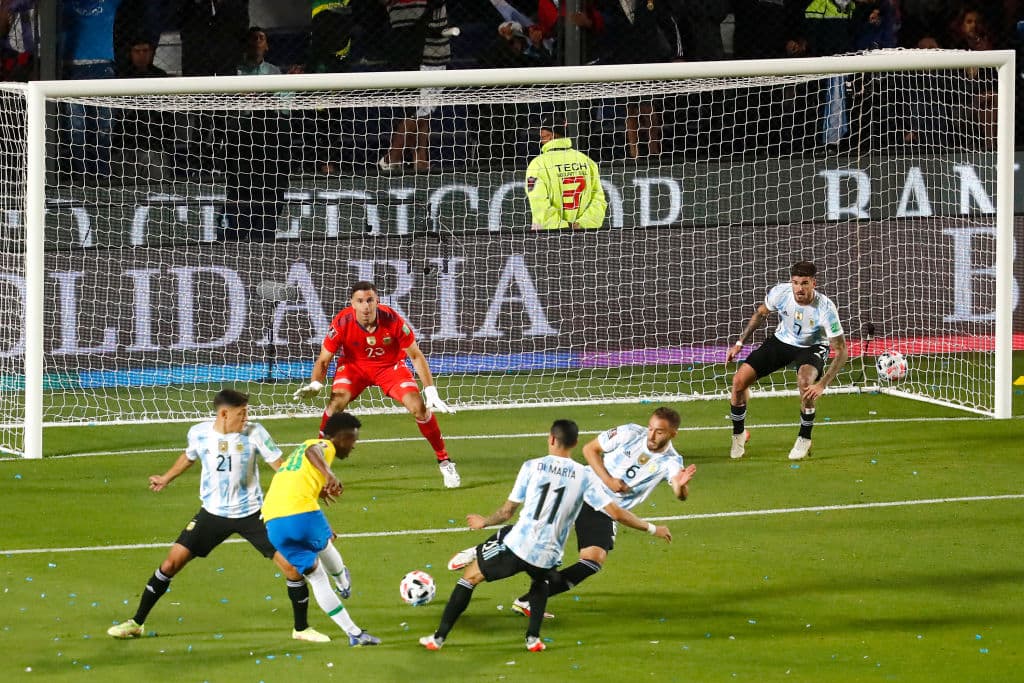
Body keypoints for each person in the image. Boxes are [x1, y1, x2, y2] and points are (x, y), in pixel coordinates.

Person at [419, 419, 672, 653]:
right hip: (549, 554)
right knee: (539, 583)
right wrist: (653, 528)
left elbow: (507, 511)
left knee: (469, 578)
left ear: (551, 439)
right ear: (574, 444)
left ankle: (439, 637)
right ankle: (533, 639)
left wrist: (484, 521)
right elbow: (616, 513)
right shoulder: (585, 477)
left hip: (518, 545)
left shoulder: (532, 466)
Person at [107, 390, 333, 643]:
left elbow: (281, 466)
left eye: (247, 412)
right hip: (212, 514)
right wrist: (166, 478)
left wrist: (310, 487)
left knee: (292, 567)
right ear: (224, 414)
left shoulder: (255, 432)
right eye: (242, 413)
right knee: (170, 564)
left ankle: (301, 629)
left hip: (253, 513)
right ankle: (136, 622)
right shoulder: (199, 433)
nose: (246, 417)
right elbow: (189, 456)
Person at [448, 406, 696, 619]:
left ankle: (528, 600)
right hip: (584, 486)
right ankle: (479, 551)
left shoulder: (672, 461)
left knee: (592, 561)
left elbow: (678, 491)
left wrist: (682, 486)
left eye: (659, 431)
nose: (651, 434)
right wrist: (608, 480)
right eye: (651, 427)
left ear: (673, 433)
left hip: (605, 508)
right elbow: (590, 450)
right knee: (538, 525)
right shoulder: (631, 432)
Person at [292, 281, 460, 488]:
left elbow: (415, 355)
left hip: (389, 368)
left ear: (377, 301)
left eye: (370, 300)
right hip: (354, 368)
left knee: (419, 408)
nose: (366, 306)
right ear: (352, 304)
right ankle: (318, 465)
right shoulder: (342, 322)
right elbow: (324, 359)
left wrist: (430, 390)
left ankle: (444, 461)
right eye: (360, 301)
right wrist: (316, 384)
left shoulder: (393, 320)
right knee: (334, 405)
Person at [261, 412, 381, 647]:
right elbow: (313, 452)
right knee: (326, 542)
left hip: (272, 522)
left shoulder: (298, 455)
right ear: (339, 437)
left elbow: (294, 479)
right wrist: (329, 474)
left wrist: (319, 489)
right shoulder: (322, 445)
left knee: (316, 577)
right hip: (300, 513)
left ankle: (354, 633)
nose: (353, 446)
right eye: (352, 439)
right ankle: (342, 581)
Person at [725, 261, 849, 461]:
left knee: (805, 383)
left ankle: (804, 437)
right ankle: (739, 435)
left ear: (813, 284)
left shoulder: (825, 308)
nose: (799, 288)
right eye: (796, 282)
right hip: (782, 341)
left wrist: (822, 385)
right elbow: (760, 314)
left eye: (804, 283)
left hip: (812, 346)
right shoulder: (781, 294)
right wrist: (739, 343)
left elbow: (842, 351)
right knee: (739, 382)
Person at [378, 0, 451, 174]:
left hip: (438, 52)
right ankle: (391, 159)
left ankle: (420, 160)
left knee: (425, 114)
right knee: (415, 113)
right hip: (414, 54)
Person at [525, 114, 607, 230]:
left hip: (548, 236)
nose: (541, 140)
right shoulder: (587, 162)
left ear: (550, 136)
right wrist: (582, 224)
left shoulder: (537, 165)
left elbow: (538, 203)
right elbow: (599, 201)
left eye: (542, 136)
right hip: (585, 234)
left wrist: (562, 227)